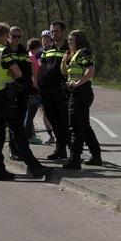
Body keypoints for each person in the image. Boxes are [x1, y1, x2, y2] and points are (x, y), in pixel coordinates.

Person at [0, 22, 48, 181]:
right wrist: (15, 80)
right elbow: (17, 73)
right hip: (5, 94)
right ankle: (34, 167)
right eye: (6, 35)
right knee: (18, 131)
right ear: (1, 35)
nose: (8, 39)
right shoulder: (2, 51)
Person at [60, 30, 102, 170]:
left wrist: (77, 83)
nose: (69, 42)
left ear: (79, 40)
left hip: (81, 92)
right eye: (69, 40)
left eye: (72, 40)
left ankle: (75, 159)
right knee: (84, 125)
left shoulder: (83, 53)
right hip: (75, 92)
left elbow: (90, 71)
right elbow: (64, 72)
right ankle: (96, 156)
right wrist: (64, 60)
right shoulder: (73, 54)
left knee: (75, 127)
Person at [40, 20, 70, 160]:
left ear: (63, 32)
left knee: (64, 119)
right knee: (52, 118)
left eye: (56, 31)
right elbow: (42, 68)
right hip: (47, 90)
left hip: (63, 90)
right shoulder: (47, 49)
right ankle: (60, 148)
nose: (54, 34)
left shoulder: (69, 48)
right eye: (52, 31)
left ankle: (69, 148)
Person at [7, 26, 32, 161]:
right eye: (13, 36)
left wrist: (26, 86)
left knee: (20, 122)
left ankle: (19, 149)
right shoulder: (4, 50)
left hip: (21, 91)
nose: (16, 39)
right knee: (12, 122)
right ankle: (13, 149)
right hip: (8, 91)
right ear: (8, 36)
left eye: (18, 36)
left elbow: (28, 71)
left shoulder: (24, 52)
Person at [39, 30, 55, 145]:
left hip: (53, 87)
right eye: (43, 39)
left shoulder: (54, 51)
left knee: (55, 112)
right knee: (44, 112)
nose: (45, 41)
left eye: (47, 39)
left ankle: (59, 133)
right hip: (42, 86)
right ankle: (50, 135)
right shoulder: (39, 53)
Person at [25, 38, 42, 144]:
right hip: (33, 89)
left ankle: (30, 134)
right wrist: (36, 87)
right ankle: (28, 136)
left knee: (29, 113)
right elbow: (33, 74)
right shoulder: (32, 58)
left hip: (29, 88)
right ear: (37, 47)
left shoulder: (28, 56)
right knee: (31, 113)